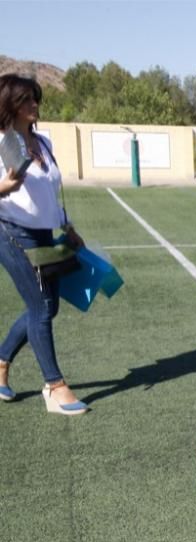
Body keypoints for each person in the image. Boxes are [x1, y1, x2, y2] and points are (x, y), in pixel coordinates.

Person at [0, 74, 88, 414]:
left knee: (48, 307)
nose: (35, 104)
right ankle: (54, 386)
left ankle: (3, 361)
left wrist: (67, 226)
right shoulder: (2, 142)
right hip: (11, 232)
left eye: (35, 98)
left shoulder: (43, 143)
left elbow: (50, 190)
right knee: (40, 308)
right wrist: (5, 187)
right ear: (10, 104)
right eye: (26, 100)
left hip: (45, 235)